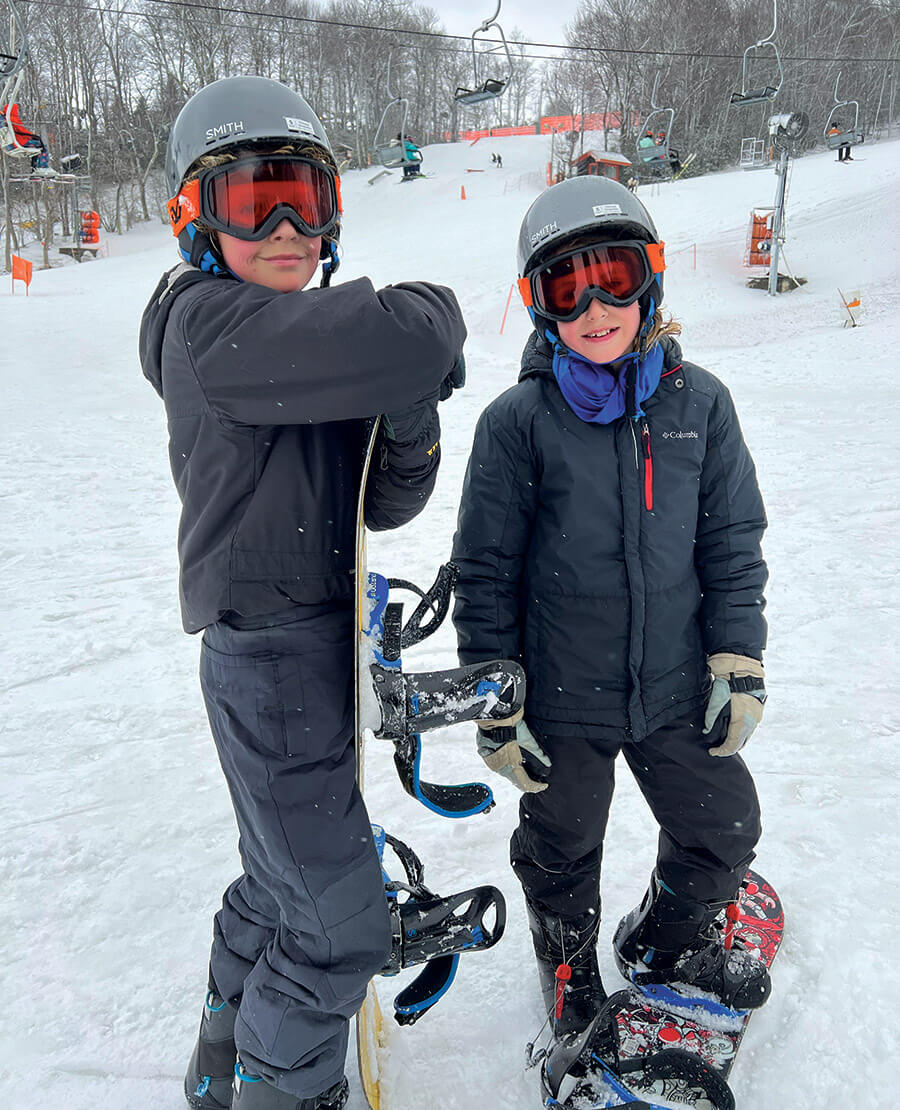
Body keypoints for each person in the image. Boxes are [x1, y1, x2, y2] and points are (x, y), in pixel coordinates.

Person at [139, 76, 466, 1110]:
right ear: (196, 221)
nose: (286, 227)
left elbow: (388, 503)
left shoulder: (298, 345)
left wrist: (407, 414)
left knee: (284, 880)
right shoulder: (211, 325)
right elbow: (420, 330)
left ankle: (222, 1059)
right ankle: (282, 1091)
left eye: (306, 199)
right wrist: (417, 348)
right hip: (270, 659)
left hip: (310, 647)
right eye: (252, 202)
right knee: (339, 928)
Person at [451, 175, 771, 1043]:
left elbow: (731, 544)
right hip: (562, 696)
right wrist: (497, 702)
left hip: (674, 685)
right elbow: (485, 573)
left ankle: (666, 943)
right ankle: (567, 975)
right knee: (560, 853)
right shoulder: (517, 423)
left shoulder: (700, 406)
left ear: (649, 280)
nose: (595, 308)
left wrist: (737, 657)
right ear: (538, 304)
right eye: (567, 287)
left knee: (724, 826)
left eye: (614, 278)